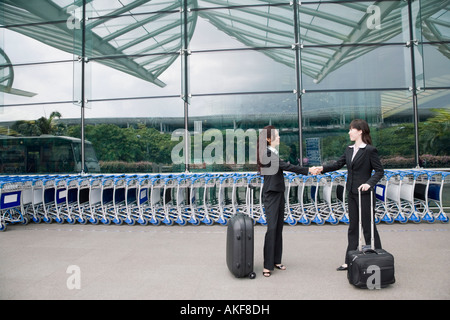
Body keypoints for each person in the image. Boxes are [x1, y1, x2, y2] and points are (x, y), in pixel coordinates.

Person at [312, 119, 384, 271]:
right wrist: (322, 168)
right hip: (352, 193)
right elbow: (338, 164)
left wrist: (369, 183)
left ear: (360, 131)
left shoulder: (370, 150)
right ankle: (349, 260)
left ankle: (378, 257)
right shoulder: (349, 149)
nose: (349, 132)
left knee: (368, 227)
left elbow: (379, 171)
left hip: (364, 194)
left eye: (351, 129)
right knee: (352, 227)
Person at [257, 125, 316, 277]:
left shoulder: (273, 153)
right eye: (277, 135)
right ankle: (267, 265)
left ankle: (276, 260)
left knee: (278, 228)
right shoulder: (267, 153)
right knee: (271, 229)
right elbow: (286, 166)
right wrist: (308, 170)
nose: (280, 137)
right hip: (271, 195)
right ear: (269, 139)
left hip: (278, 193)